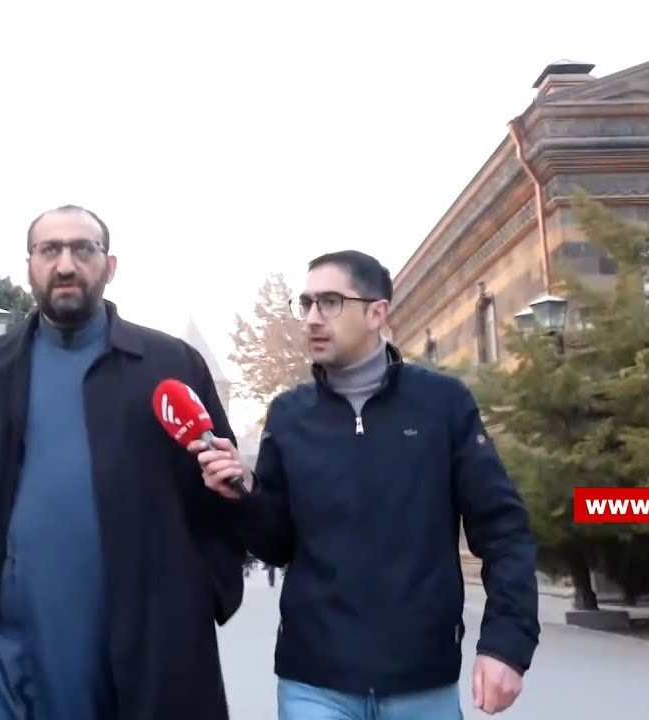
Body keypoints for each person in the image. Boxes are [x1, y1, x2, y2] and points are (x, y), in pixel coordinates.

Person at [0, 205, 247, 720]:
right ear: (30, 266)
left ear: (110, 266)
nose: (65, 265)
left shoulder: (170, 365)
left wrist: (202, 595)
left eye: (83, 249)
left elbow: (221, 495)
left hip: (135, 653)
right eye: (50, 250)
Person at [191, 250, 540, 719]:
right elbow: (277, 546)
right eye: (307, 303)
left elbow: (503, 529)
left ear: (377, 313)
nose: (313, 318)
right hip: (313, 682)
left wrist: (506, 644)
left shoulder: (442, 405)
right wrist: (248, 492)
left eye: (330, 302)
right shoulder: (289, 415)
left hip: (422, 680)